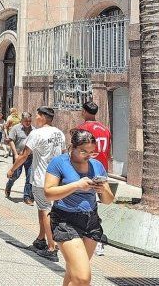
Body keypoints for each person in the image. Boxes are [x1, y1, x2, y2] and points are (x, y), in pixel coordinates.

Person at [44, 130, 114, 286]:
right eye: (83, 151)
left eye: (92, 152)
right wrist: (76, 185)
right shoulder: (59, 163)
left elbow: (109, 200)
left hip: (91, 222)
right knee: (82, 278)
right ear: (72, 147)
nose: (88, 156)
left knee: (73, 273)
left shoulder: (97, 166)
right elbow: (48, 193)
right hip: (65, 221)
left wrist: (103, 190)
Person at [7, 106, 66, 262]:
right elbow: (64, 154)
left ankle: (52, 247)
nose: (36, 119)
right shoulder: (59, 133)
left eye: (38, 116)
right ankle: (41, 240)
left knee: (46, 210)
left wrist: (12, 169)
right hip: (57, 178)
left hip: (42, 179)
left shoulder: (36, 133)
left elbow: (24, 155)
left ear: (44, 117)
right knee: (43, 209)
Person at [76, 101, 112, 256]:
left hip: (87, 169)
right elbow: (108, 152)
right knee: (95, 204)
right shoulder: (105, 129)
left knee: (87, 206)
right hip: (102, 170)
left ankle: (94, 239)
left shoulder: (83, 129)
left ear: (84, 111)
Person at [5, 112, 35, 205]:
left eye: (30, 121)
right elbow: (11, 141)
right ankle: (9, 185)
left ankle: (27, 197)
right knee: (15, 175)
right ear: (22, 120)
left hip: (30, 156)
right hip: (19, 156)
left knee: (29, 176)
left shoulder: (34, 130)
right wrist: (15, 154)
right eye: (26, 121)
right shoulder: (16, 128)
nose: (28, 122)